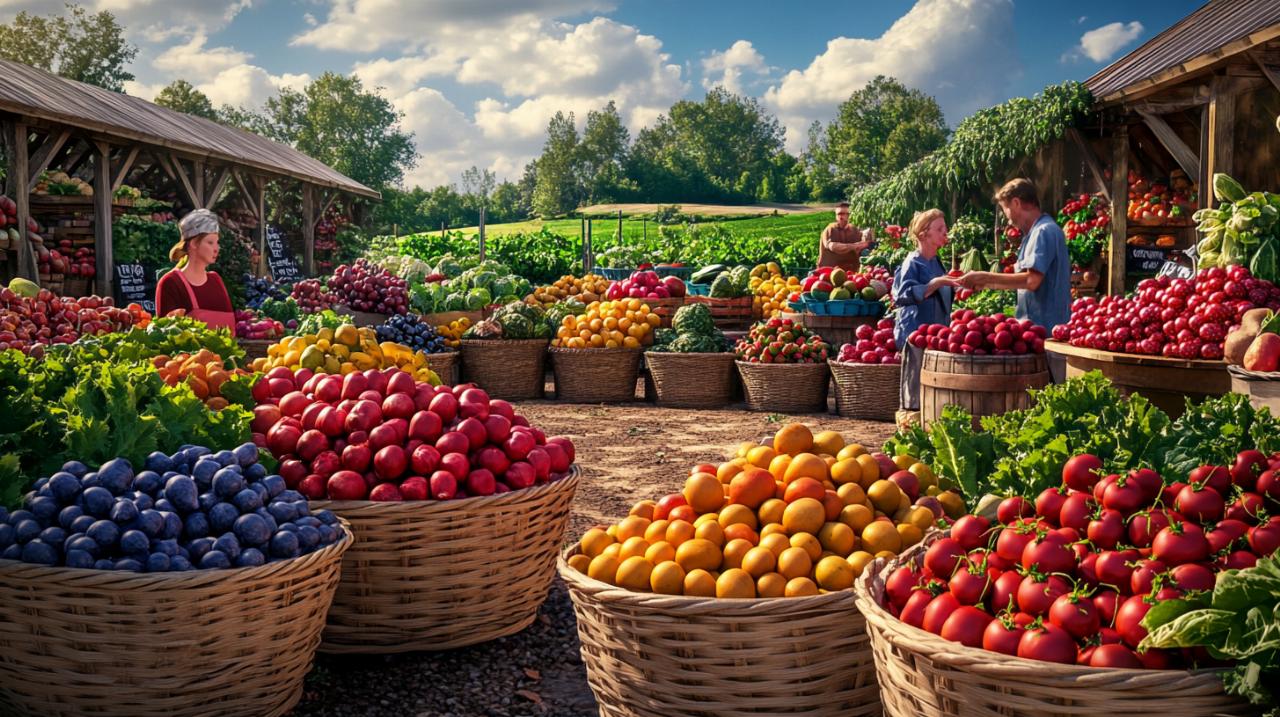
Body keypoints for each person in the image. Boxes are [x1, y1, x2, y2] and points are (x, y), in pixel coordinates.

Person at [958, 178, 1070, 380]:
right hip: (1036, 334)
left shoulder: (1044, 231)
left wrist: (985, 277)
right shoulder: (1033, 233)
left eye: (1005, 209)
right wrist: (986, 283)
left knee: (1050, 393)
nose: (1007, 219)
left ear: (1017, 203)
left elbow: (1031, 281)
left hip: (1047, 334)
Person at [894, 209, 963, 412]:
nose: (945, 232)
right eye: (939, 229)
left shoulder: (935, 262)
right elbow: (901, 295)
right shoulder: (912, 262)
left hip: (936, 331)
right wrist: (936, 283)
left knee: (931, 382)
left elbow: (941, 292)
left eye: (945, 228)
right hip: (915, 331)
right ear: (924, 234)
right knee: (914, 383)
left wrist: (959, 285)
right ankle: (910, 421)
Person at [156, 209, 235, 331]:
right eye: (210, 242)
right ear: (193, 244)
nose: (216, 248)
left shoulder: (215, 280)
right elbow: (164, 333)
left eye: (217, 242)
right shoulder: (171, 283)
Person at [818, 202, 873, 272]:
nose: (842, 217)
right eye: (839, 214)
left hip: (851, 271)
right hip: (829, 272)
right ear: (836, 216)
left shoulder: (853, 229)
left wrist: (867, 236)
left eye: (846, 214)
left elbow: (863, 244)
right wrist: (855, 246)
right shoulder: (830, 229)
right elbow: (833, 247)